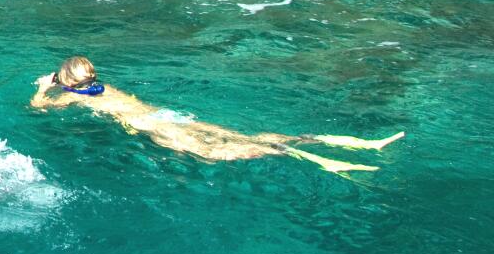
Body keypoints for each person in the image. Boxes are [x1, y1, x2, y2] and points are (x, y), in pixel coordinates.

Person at [29, 55, 405, 174]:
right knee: (240, 135)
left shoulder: (74, 99)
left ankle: (300, 155)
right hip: (165, 113)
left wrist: (44, 87)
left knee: (213, 152)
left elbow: (37, 109)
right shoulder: (105, 88)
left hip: (151, 126)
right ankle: (323, 142)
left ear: (67, 81)